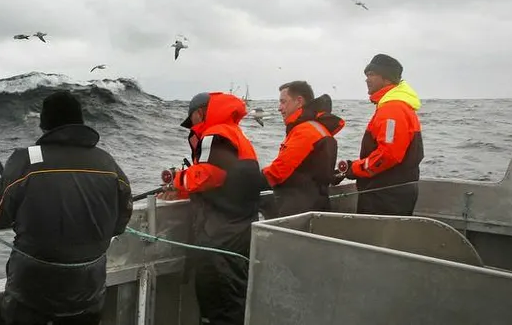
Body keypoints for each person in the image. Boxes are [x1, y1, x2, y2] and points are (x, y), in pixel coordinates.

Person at [0, 91, 133, 325]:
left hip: (33, 289)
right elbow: (121, 220)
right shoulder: (106, 161)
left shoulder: (26, 158)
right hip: (89, 287)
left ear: (44, 123)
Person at [163, 91, 266, 325]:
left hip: (220, 236)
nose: (192, 126)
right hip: (238, 229)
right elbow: (226, 178)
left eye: (192, 119)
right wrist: (182, 190)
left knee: (218, 303)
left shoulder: (215, 133)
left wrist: (177, 180)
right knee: (232, 300)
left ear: (201, 113)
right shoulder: (234, 134)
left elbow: (207, 176)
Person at [334, 53, 424, 216]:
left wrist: (354, 168)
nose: (367, 80)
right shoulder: (396, 106)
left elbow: (388, 156)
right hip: (394, 192)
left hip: (385, 196)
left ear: (386, 78)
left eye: (371, 75)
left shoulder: (392, 109)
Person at [262, 81, 345, 218]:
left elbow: (278, 172)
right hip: (315, 206)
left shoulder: (305, 131)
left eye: (283, 102)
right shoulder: (316, 128)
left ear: (299, 101)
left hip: (299, 212)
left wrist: (246, 179)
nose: (279, 108)